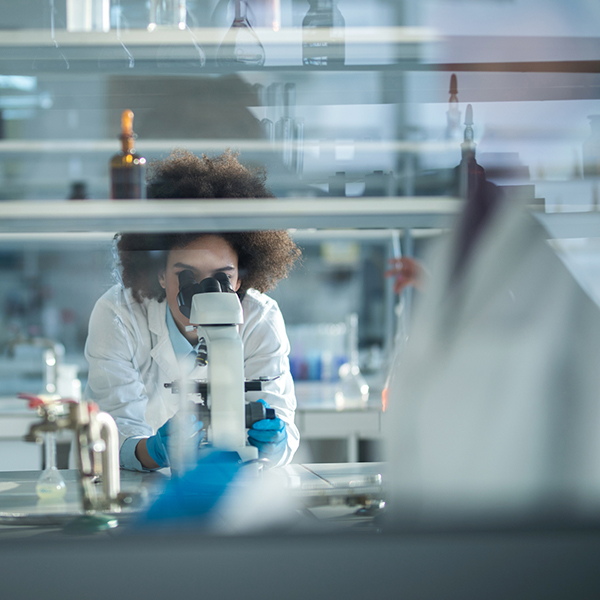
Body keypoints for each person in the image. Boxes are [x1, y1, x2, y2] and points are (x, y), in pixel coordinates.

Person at [84, 149, 302, 471]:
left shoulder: (259, 319)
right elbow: (112, 437)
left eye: (222, 278)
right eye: (186, 277)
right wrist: (153, 450)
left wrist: (273, 443)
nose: (204, 293)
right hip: (145, 493)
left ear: (241, 277)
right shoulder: (119, 316)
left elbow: (279, 423)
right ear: (159, 273)